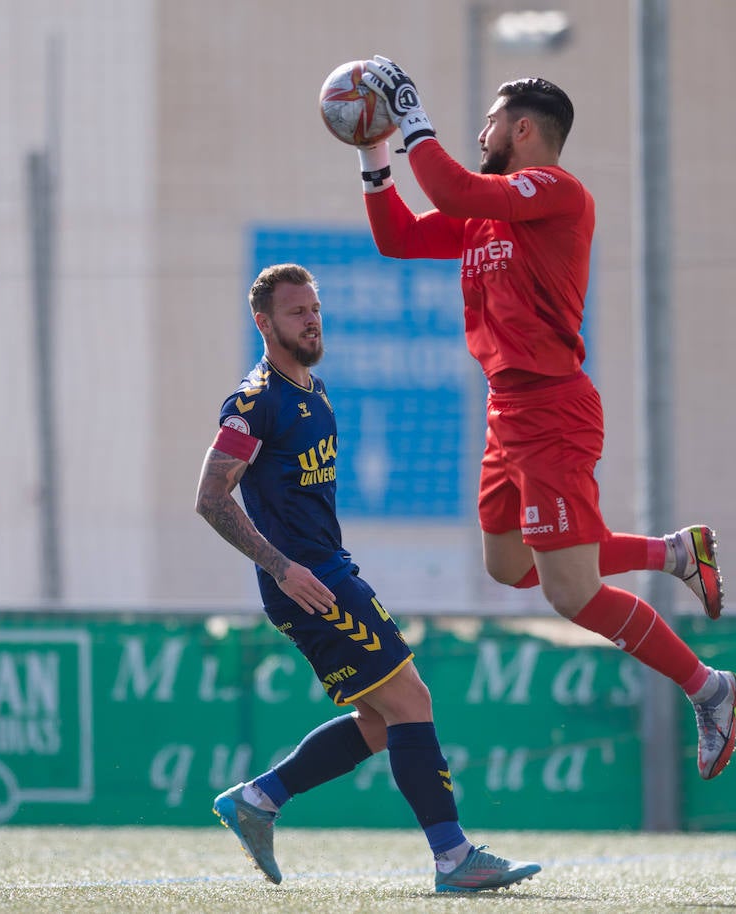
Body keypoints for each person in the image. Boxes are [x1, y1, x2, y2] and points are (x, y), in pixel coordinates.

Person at [354, 57, 736, 781]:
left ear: (524, 129)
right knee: (509, 566)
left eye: (493, 119)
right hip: (509, 412)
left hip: (553, 406)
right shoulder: (486, 208)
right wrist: (375, 152)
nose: (481, 131)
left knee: (570, 590)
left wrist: (410, 115)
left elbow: (450, 184)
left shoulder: (555, 192)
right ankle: (673, 554)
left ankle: (709, 687)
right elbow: (399, 238)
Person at [195, 263, 540, 893]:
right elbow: (211, 497)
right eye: (296, 312)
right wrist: (282, 568)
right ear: (264, 323)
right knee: (413, 702)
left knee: (384, 721)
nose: (311, 320)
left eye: (314, 309)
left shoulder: (314, 391)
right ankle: (453, 857)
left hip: (329, 570)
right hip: (310, 583)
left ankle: (260, 799)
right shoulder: (255, 400)